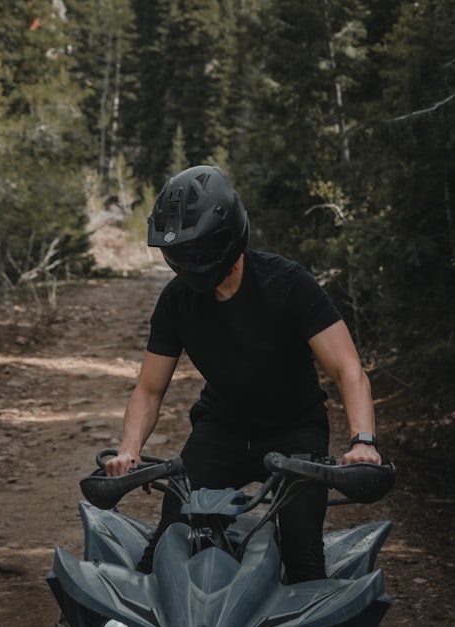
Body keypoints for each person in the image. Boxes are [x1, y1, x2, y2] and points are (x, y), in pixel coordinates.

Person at [105, 165, 381, 583]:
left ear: (225, 237)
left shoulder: (288, 283)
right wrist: (129, 450)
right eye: (176, 252)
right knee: (167, 543)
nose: (183, 262)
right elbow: (149, 389)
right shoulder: (177, 300)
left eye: (193, 252)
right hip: (221, 429)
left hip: (295, 432)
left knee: (304, 558)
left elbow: (348, 368)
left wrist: (363, 442)